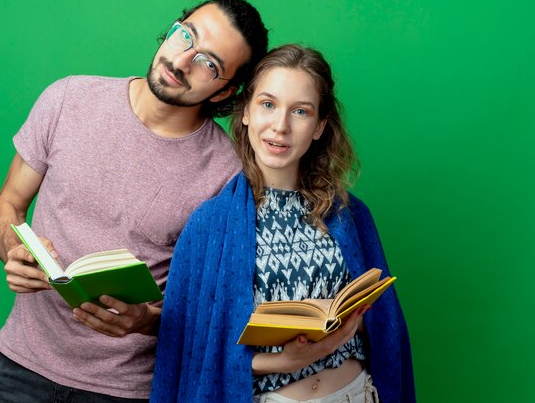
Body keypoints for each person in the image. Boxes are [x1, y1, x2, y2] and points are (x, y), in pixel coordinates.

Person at [0, 0, 268, 402]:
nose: (182, 60)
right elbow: (6, 204)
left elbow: (207, 308)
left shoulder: (226, 174)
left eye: (210, 63)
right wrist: (14, 247)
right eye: (185, 36)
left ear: (227, 91)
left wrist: (145, 321)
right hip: (22, 366)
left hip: (124, 389)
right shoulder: (68, 98)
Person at [151, 44, 415, 403]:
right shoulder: (208, 227)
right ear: (245, 112)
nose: (280, 126)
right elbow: (189, 356)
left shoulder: (351, 215)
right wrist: (279, 361)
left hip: (356, 393)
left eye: (301, 111)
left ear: (320, 126)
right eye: (268, 104)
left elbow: (387, 331)